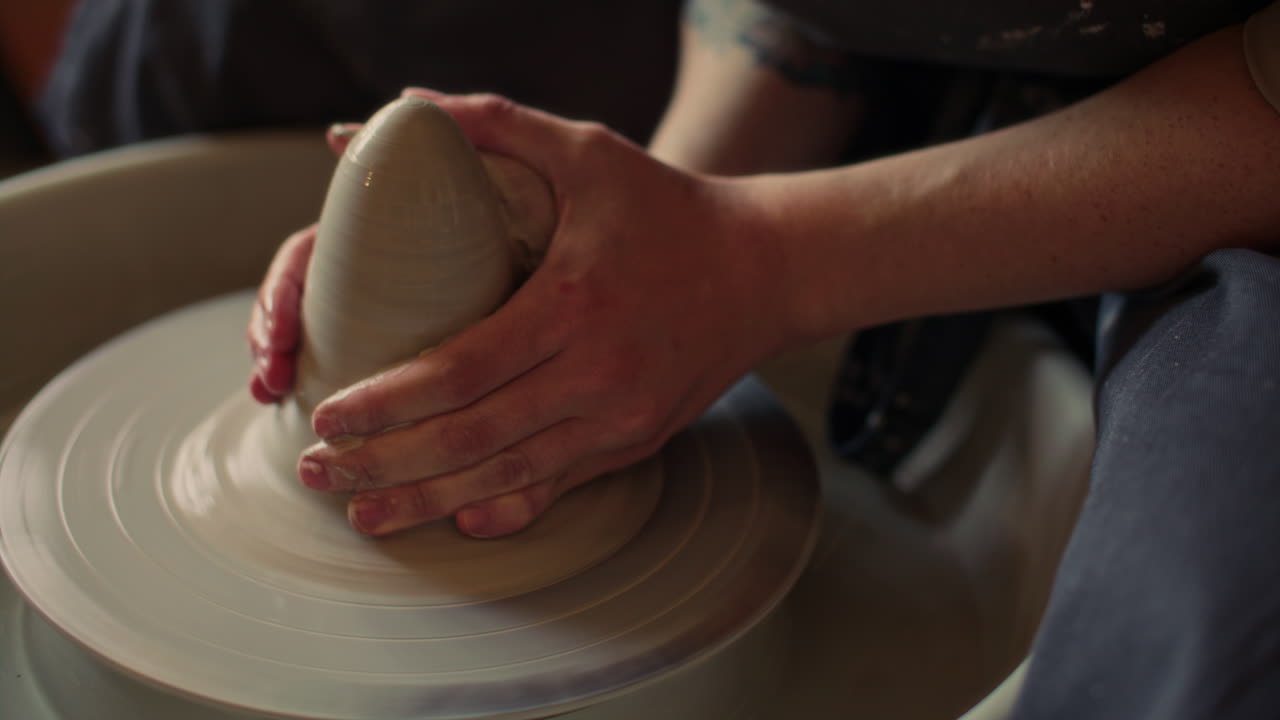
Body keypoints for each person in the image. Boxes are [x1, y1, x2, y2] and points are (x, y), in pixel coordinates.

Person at [239, 1, 1280, 717]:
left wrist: (761, 262)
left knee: (1203, 638)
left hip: (1220, 142)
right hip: (936, 50)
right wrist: (602, 266)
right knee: (204, 32)